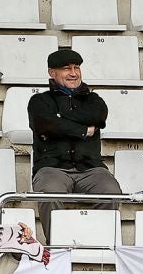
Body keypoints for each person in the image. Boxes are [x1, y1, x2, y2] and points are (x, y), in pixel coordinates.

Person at [28, 46, 123, 197]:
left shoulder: (93, 100)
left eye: (76, 68)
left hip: (91, 169)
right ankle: (52, 223)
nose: (73, 73)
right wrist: (84, 131)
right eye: (67, 69)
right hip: (52, 169)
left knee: (111, 191)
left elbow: (97, 118)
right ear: (52, 73)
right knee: (50, 192)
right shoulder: (39, 100)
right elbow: (45, 125)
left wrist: (59, 116)